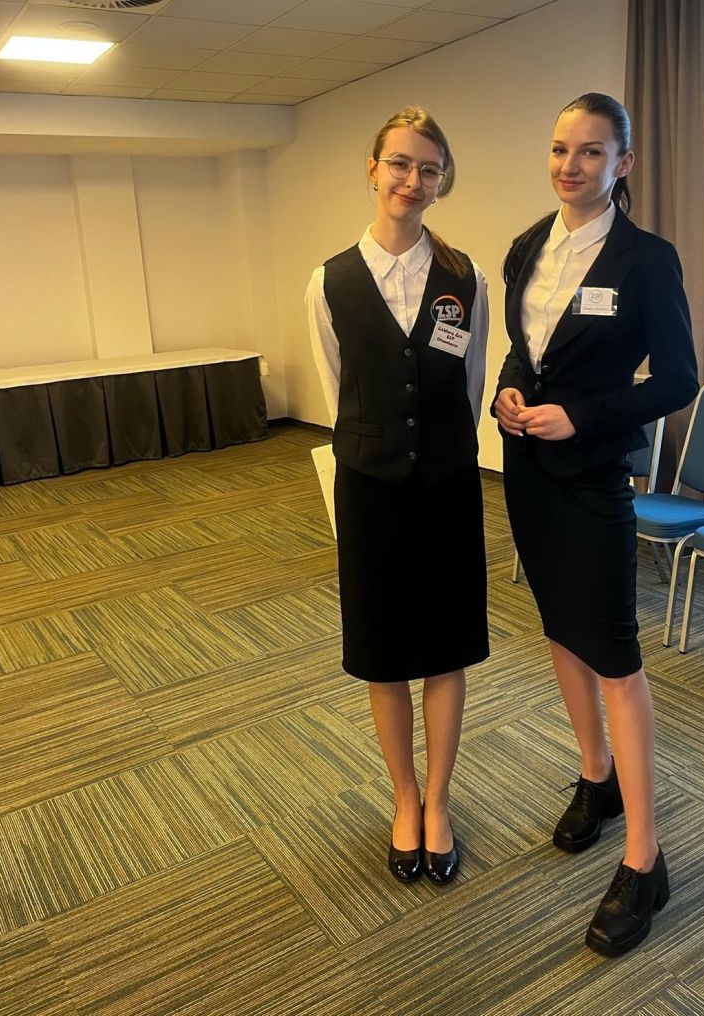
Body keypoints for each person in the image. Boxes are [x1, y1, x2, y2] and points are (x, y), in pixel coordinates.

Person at [493, 92, 697, 955]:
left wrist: (583, 415)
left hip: (593, 477)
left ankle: (645, 859)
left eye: (589, 151)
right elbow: (525, 348)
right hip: (527, 472)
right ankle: (596, 777)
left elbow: (677, 379)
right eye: (559, 149)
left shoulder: (647, 259)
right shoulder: (525, 248)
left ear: (623, 163)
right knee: (560, 632)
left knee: (613, 652)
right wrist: (509, 391)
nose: (570, 166)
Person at [306, 105, 489, 886]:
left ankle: (439, 802)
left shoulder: (465, 277)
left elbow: (471, 386)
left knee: (446, 651)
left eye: (429, 168)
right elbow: (337, 392)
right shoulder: (329, 281)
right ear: (373, 171)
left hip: (448, 487)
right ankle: (404, 798)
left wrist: (439, 450)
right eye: (401, 164)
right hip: (371, 490)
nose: (413, 179)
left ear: (442, 181)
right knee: (383, 655)